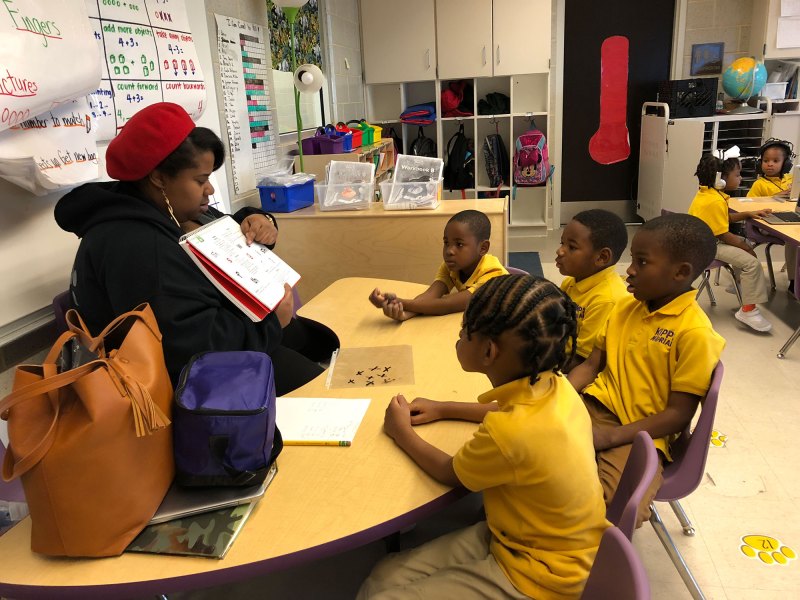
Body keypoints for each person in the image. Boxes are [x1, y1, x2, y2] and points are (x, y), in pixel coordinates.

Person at [358, 275, 609, 600]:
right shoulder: (556, 385)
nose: (459, 338)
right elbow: (509, 414)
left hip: (540, 575)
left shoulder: (510, 432)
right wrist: (445, 407)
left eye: (464, 332)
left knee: (379, 596)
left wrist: (400, 431)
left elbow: (450, 473)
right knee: (382, 577)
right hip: (535, 537)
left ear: (489, 351)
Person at [55, 102, 327, 395]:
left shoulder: (161, 211)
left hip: (233, 346)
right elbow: (193, 348)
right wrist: (273, 324)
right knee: (325, 392)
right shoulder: (137, 246)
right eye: (201, 180)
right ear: (158, 178)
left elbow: (225, 227)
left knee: (325, 350)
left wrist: (259, 220)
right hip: (190, 387)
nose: (209, 189)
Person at [568, 214, 725, 526]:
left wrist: (610, 436)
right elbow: (590, 366)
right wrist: (558, 397)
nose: (629, 271)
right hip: (591, 405)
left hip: (641, 432)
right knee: (529, 452)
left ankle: (586, 564)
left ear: (681, 272)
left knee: (616, 507)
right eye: (632, 260)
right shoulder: (625, 309)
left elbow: (678, 415)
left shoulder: (695, 333)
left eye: (641, 263)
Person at [368, 210, 508, 321]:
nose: (449, 251)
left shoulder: (492, 274)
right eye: (446, 243)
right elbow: (430, 296)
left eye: (459, 244)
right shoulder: (451, 266)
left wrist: (402, 302)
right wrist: (403, 314)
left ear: (483, 248)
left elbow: (446, 305)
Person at [689, 154, 774, 332]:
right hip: (707, 246)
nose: (740, 178)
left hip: (701, 241)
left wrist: (747, 214)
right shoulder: (714, 200)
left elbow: (723, 218)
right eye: (737, 175)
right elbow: (724, 235)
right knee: (750, 262)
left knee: (743, 248)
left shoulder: (709, 194)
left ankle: (744, 286)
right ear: (721, 179)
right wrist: (747, 248)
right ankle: (748, 311)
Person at [556, 209, 629, 372]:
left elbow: (582, 360)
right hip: (558, 354)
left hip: (577, 372)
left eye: (572, 247)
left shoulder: (607, 299)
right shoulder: (570, 281)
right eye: (562, 243)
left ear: (602, 257)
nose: (560, 251)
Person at [748, 139, 797, 294]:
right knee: (794, 242)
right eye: (766, 161)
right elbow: (749, 206)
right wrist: (777, 196)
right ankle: (794, 281)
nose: (770, 164)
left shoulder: (792, 180)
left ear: (786, 163)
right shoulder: (760, 184)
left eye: (775, 161)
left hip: (790, 219)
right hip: (765, 225)